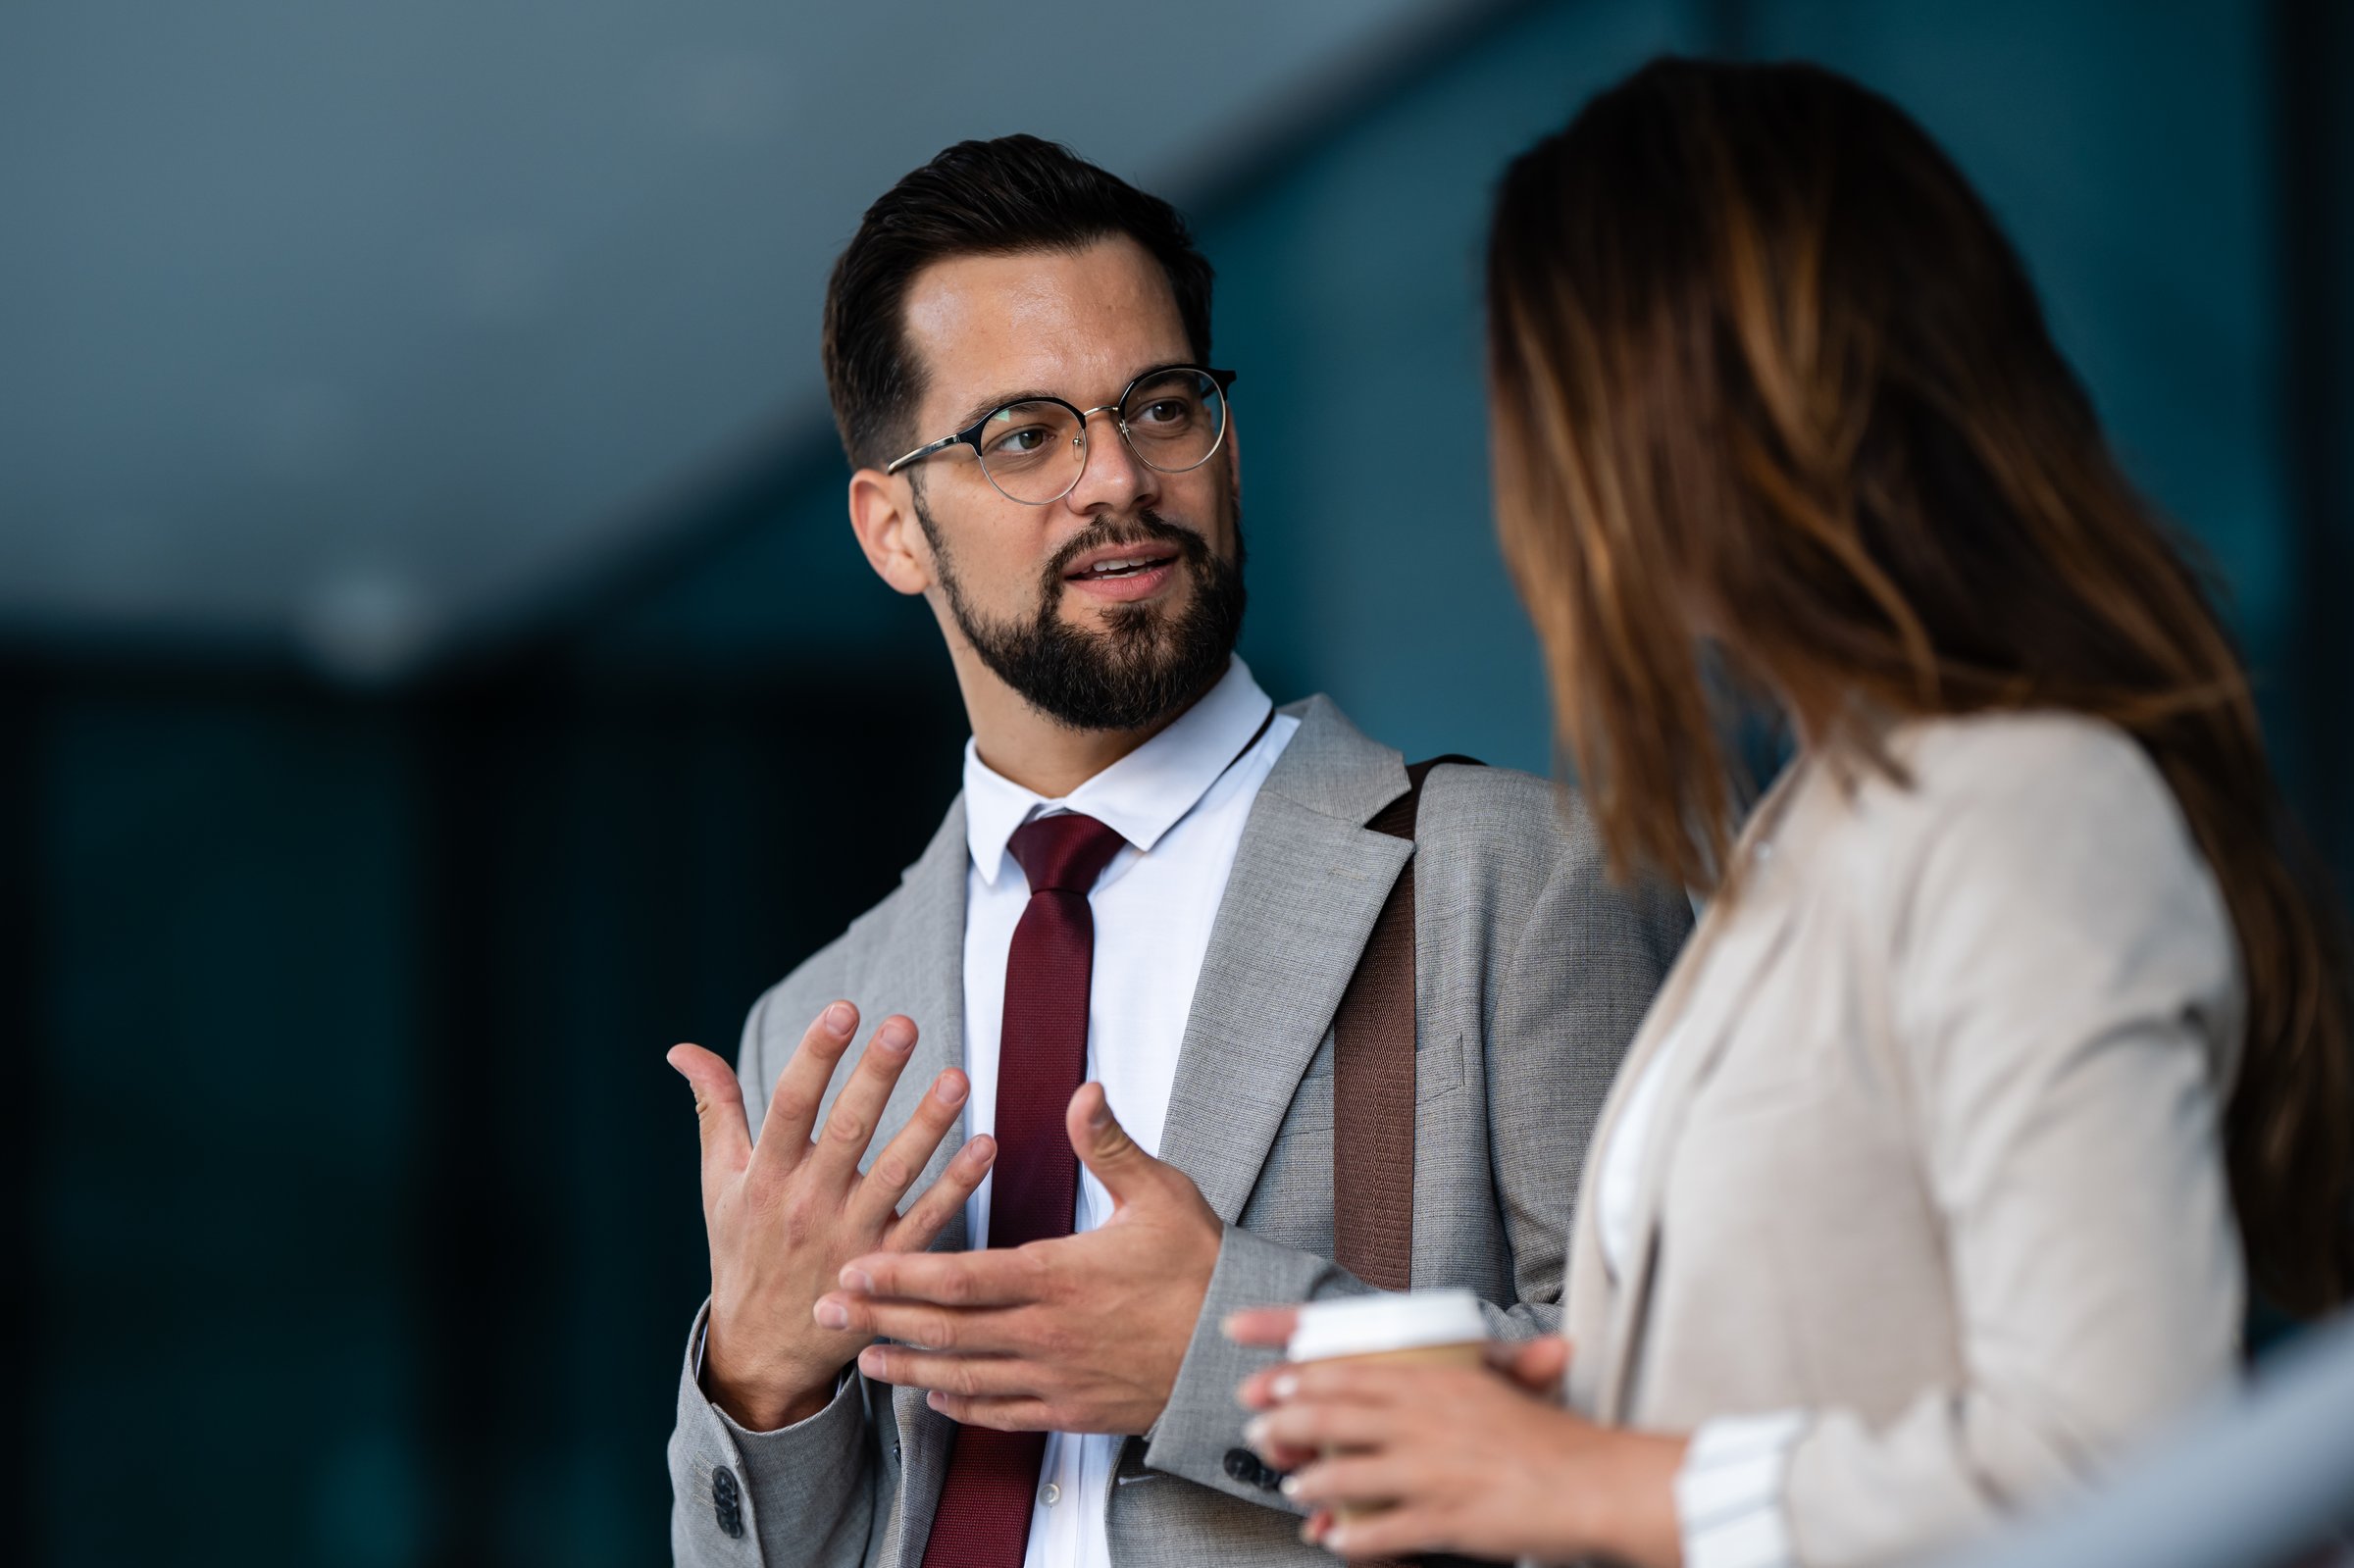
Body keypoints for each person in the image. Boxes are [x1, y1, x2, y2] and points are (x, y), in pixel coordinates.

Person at [1233, 57, 2354, 1568]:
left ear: (1655, 425)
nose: (1523, 485)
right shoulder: (1811, 831)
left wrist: (1593, 1486)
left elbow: (2123, 1457)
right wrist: (1573, 1423)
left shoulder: (2020, 810)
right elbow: (1849, 1350)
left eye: (1535, 403)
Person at [660, 135, 1691, 1568]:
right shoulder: (807, 1035)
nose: (1117, 481)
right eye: (1024, 435)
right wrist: (762, 1386)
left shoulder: (1516, 879)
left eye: (1158, 405)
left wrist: (1227, 1358)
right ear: (892, 528)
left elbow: (1690, 1417)